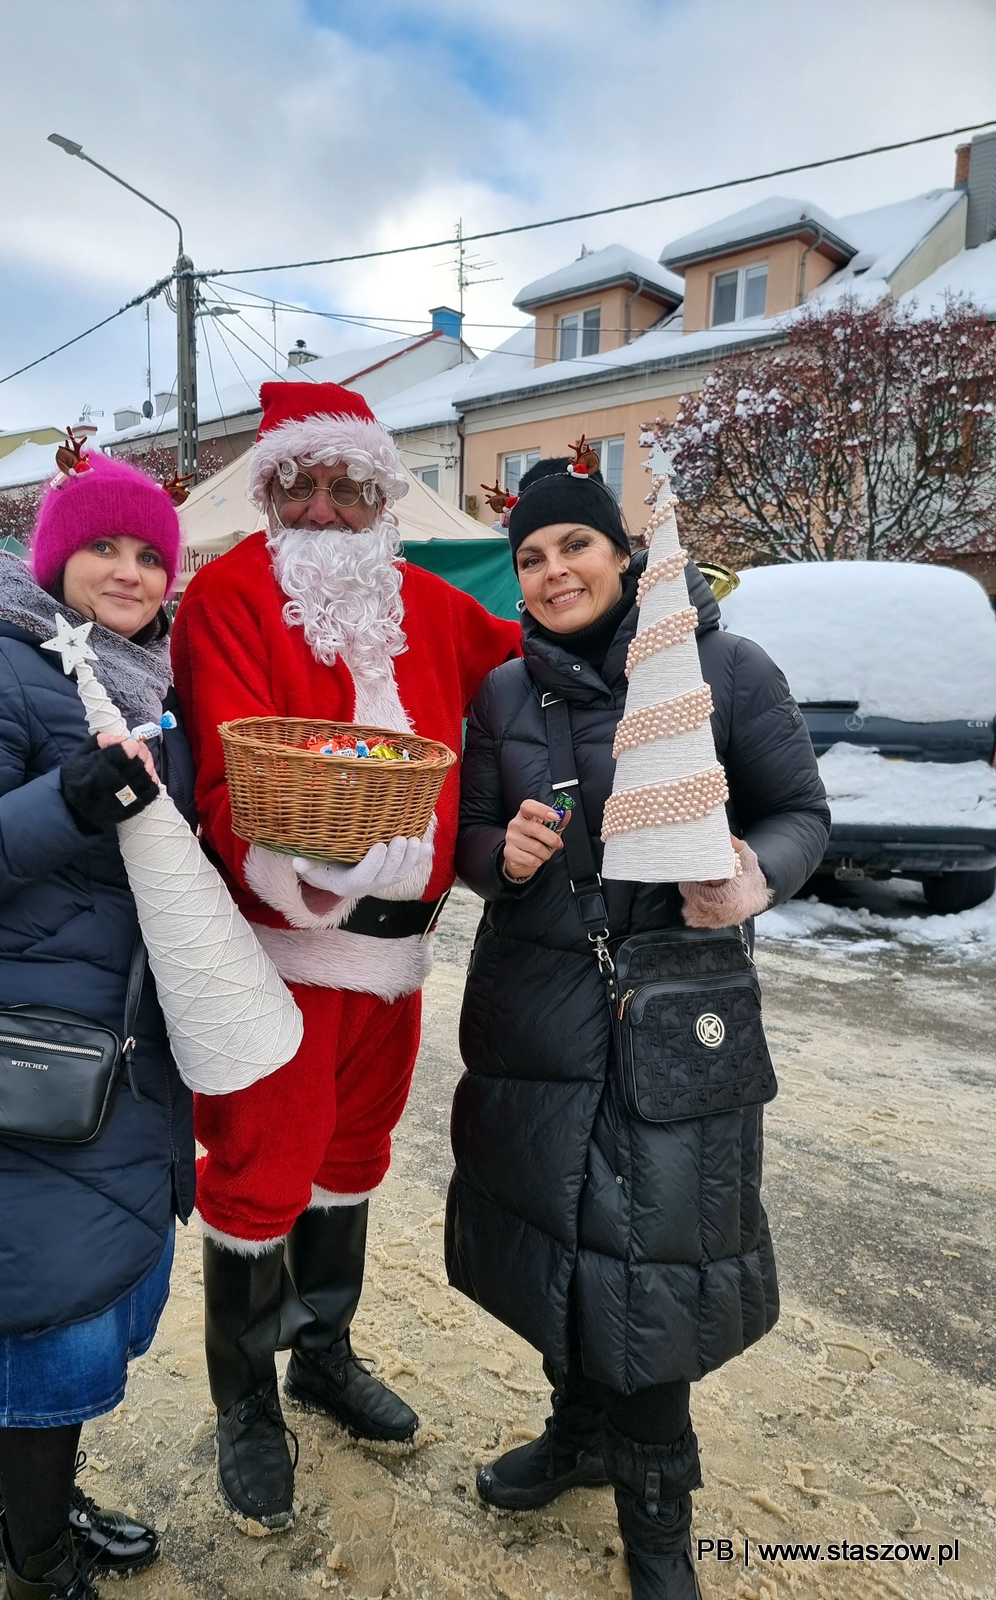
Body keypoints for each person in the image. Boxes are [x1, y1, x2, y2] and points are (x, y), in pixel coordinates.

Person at [447, 459, 830, 1599]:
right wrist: (496, 857)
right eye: (531, 555)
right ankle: (578, 1432)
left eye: (574, 545)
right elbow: (468, 834)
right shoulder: (504, 693)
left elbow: (802, 813)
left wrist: (757, 875)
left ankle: (659, 1522)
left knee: (654, 1268)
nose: (554, 570)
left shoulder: (723, 666)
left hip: (675, 1011)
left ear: (621, 552)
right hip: (536, 1008)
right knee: (556, 1248)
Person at [170, 382, 521, 1531]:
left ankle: (322, 1352)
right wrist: (299, 867)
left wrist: (661, 619)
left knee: (354, 1157)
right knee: (260, 1172)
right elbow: (228, 775)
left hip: (397, 963)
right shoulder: (225, 595)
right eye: (299, 485)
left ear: (384, 495)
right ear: (270, 492)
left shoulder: (432, 602)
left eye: (348, 486)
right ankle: (247, 1404)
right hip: (278, 954)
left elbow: (537, 664)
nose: (324, 510)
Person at [0, 452, 197, 1600]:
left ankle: (33, 1506)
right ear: (55, 557)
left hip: (124, 1052)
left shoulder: (146, 680)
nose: (128, 570)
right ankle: (36, 1559)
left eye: (149, 552)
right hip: (29, 1060)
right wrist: (68, 799)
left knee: (98, 1290)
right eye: (103, 548)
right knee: (47, 1313)